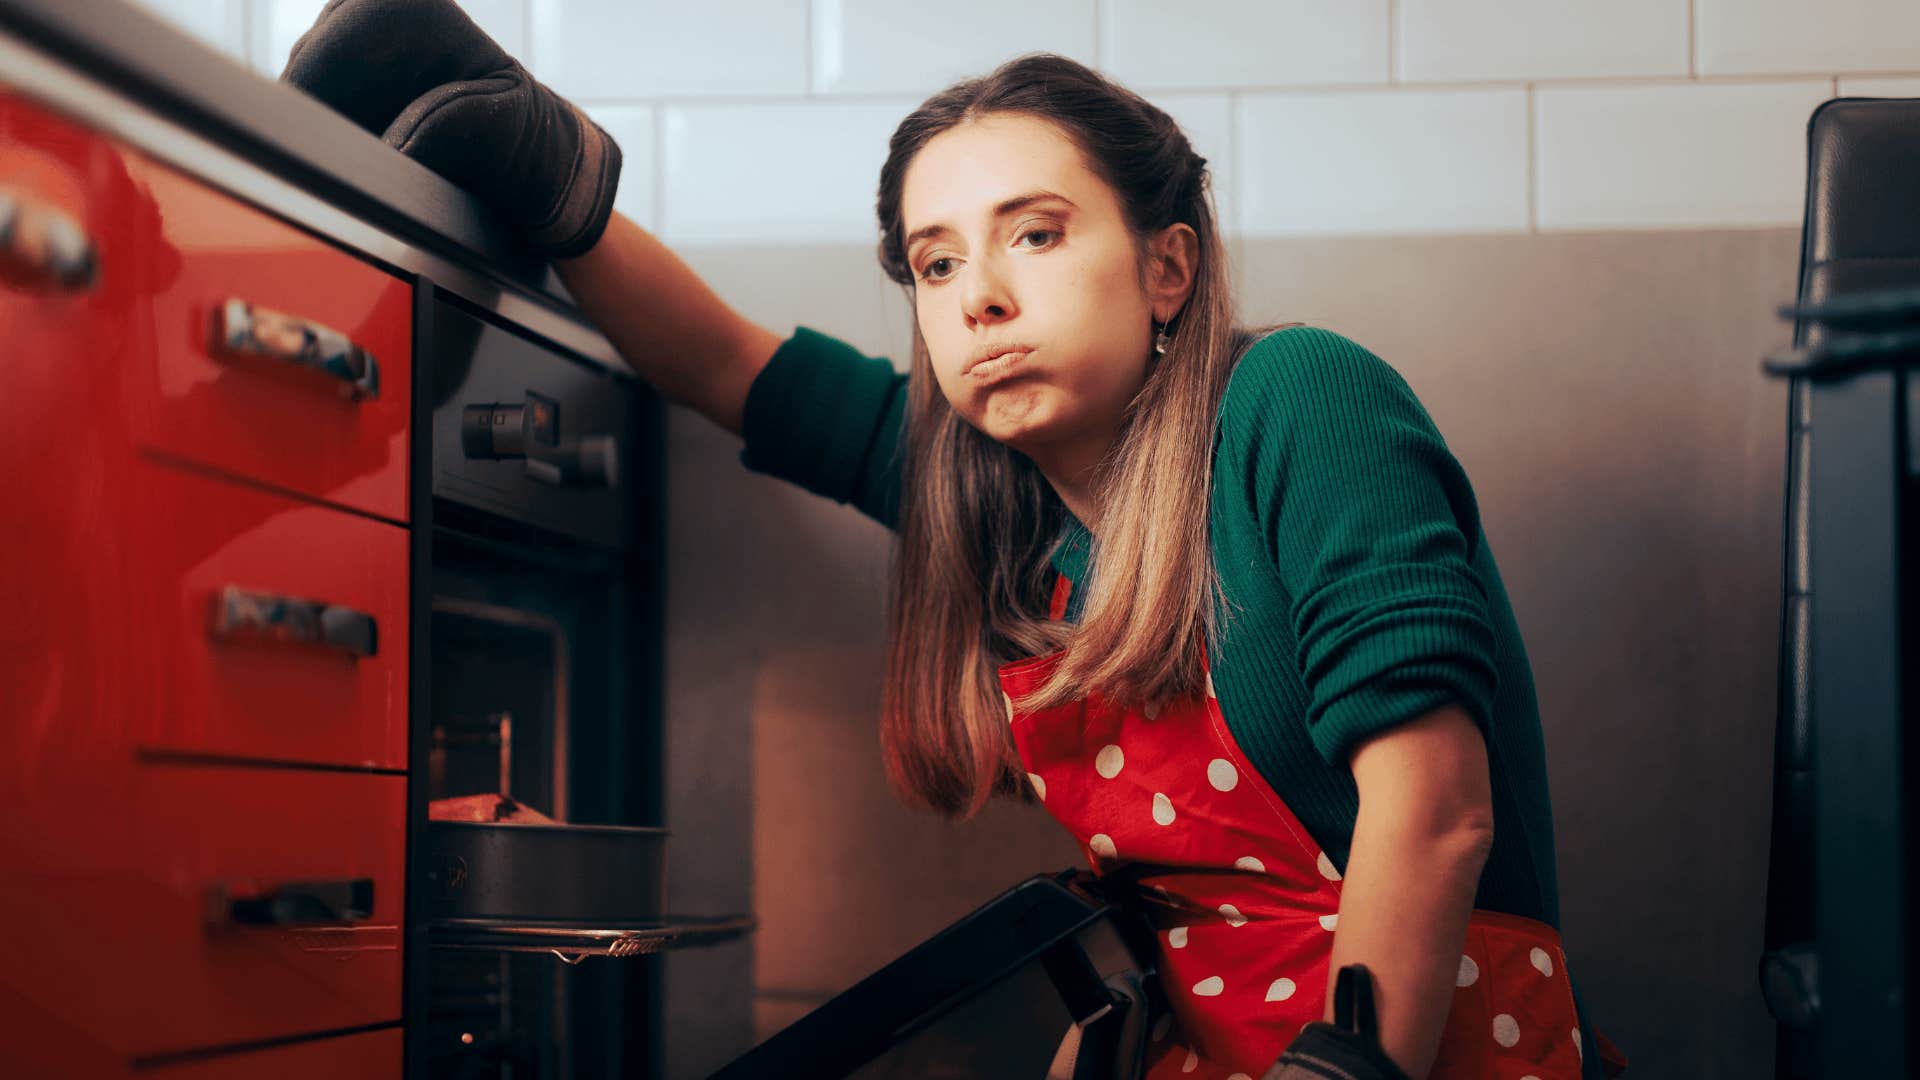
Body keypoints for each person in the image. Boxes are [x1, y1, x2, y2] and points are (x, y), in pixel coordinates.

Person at [284, 4, 1628, 1078]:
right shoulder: (987, 503)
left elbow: (1437, 812)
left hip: (1407, 1052)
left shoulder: (1301, 401)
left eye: (1035, 235)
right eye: (933, 263)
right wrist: (551, 181)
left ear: (1167, 268)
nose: (980, 297)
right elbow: (728, 367)